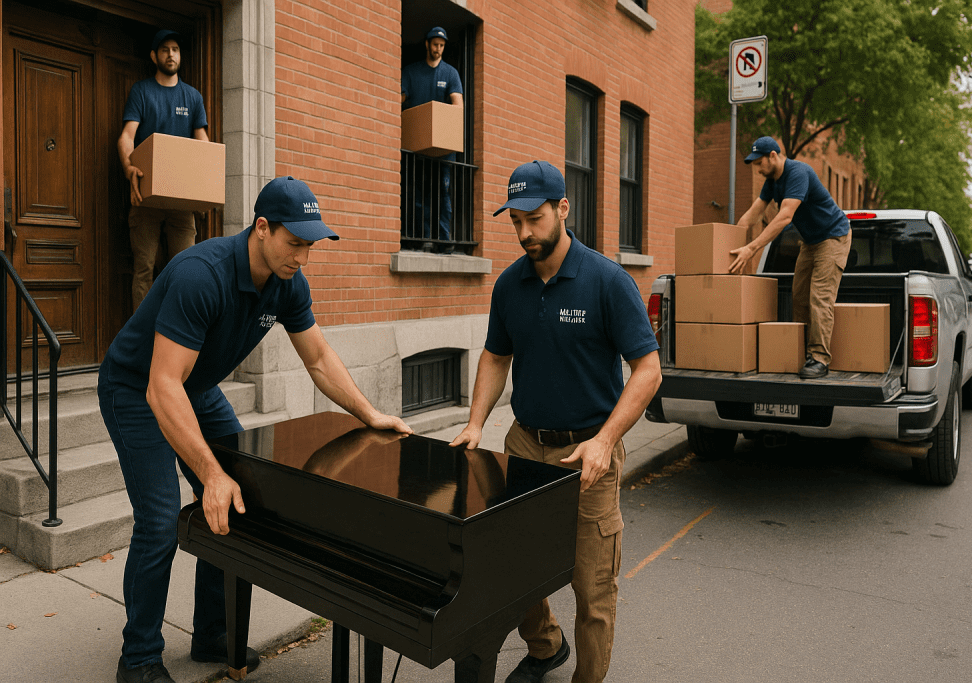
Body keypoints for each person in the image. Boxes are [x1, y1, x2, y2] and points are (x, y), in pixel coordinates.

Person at [99, 176, 413, 683]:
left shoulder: (289, 282)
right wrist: (210, 473)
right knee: (159, 520)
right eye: (295, 244)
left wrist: (369, 413)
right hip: (138, 388)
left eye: (310, 246)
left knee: (241, 495)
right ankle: (138, 658)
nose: (302, 258)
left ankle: (212, 633)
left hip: (194, 387)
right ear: (262, 228)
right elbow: (162, 387)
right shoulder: (200, 275)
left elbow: (318, 360)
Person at [450, 160, 662, 683]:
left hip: (587, 456)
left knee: (593, 591)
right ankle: (545, 646)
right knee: (512, 572)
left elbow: (648, 370)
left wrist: (604, 441)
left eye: (535, 219)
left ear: (563, 209)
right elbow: (496, 356)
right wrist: (476, 423)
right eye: (515, 221)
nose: (524, 232)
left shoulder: (607, 281)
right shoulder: (508, 286)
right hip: (525, 447)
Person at [728, 136, 852, 379]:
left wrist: (751, 248)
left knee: (819, 296)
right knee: (799, 296)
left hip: (833, 236)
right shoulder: (772, 181)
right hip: (811, 241)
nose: (757, 168)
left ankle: (819, 359)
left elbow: (784, 218)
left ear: (773, 156)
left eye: (759, 162)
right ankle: (803, 350)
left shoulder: (798, 173)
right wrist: (728, 243)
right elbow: (751, 215)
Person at [118, 28, 210, 310]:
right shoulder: (142, 91)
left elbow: (203, 144)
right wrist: (128, 167)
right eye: (164, 49)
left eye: (175, 49)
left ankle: (177, 335)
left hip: (181, 201)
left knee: (186, 270)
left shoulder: (192, 97)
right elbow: (126, 136)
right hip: (146, 194)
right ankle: (142, 342)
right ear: (154, 56)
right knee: (144, 269)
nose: (171, 54)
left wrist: (206, 187)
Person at [401, 26, 464, 251]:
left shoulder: (450, 73)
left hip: (443, 150)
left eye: (442, 45)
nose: (438, 49)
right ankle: (420, 239)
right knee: (418, 197)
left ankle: (443, 241)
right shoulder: (411, 71)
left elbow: (458, 105)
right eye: (435, 44)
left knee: (442, 196)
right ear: (426, 44)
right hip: (417, 148)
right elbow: (398, 99)